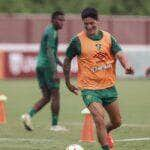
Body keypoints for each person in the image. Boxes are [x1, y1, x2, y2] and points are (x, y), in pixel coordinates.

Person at [63, 7, 134, 150]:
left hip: (108, 87)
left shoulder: (108, 38)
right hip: (89, 89)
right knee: (99, 119)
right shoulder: (77, 41)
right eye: (86, 24)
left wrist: (126, 66)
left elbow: (119, 54)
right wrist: (68, 83)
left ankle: (106, 133)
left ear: (97, 21)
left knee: (117, 122)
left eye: (92, 23)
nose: (89, 26)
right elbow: (67, 60)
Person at [21, 11, 67, 131]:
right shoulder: (52, 32)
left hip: (40, 65)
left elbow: (51, 51)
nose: (62, 22)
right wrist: (55, 71)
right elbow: (50, 52)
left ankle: (28, 115)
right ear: (52, 20)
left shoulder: (49, 30)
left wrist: (60, 64)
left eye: (63, 20)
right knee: (56, 95)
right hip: (47, 66)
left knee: (46, 97)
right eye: (59, 20)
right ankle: (55, 125)